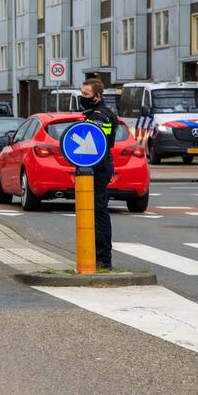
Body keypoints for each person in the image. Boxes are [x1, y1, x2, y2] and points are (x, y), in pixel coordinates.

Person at [80, 78, 116, 270]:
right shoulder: (94, 113)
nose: (82, 97)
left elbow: (96, 144)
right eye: (81, 93)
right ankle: (95, 255)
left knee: (99, 212)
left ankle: (103, 258)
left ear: (97, 96)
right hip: (96, 166)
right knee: (93, 212)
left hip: (99, 168)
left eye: (85, 94)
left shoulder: (100, 116)